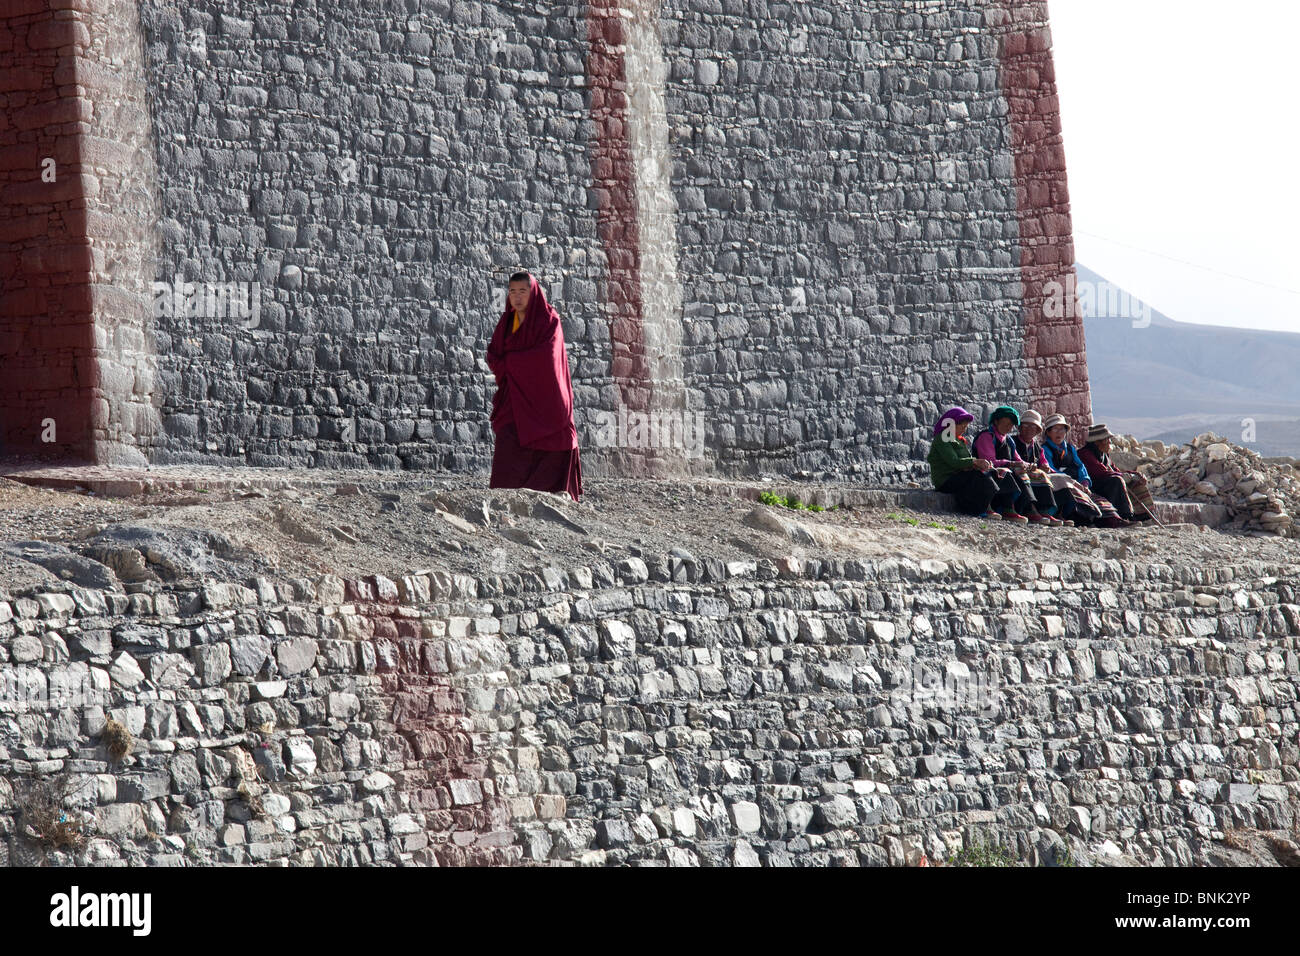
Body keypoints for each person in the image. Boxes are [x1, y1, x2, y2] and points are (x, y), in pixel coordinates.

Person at [486, 272, 582, 501]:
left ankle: (552, 492)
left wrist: (511, 362)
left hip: (546, 396)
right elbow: (494, 354)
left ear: (533, 292)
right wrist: (506, 363)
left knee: (552, 440)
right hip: (515, 394)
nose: (517, 297)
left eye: (523, 291)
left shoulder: (549, 320)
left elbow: (546, 358)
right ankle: (505, 494)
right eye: (512, 292)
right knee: (508, 435)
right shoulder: (507, 322)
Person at [971, 405, 1060, 524]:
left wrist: (1029, 465)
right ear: (996, 421)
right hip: (986, 471)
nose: (1008, 427)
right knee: (1009, 471)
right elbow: (988, 460)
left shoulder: (1008, 440)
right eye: (1005, 423)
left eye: (1011, 425)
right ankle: (1009, 508)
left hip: (1006, 469)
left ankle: (1040, 510)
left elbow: (1017, 459)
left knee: (1038, 474)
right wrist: (1011, 464)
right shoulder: (987, 436)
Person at [1040, 414, 1127, 528]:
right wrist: (1072, 482)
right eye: (1055, 429)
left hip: (1078, 484)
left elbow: (1080, 467)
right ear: (1048, 432)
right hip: (1061, 485)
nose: (1059, 433)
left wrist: (1085, 482)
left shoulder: (1070, 448)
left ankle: (1116, 520)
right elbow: (1051, 469)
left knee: (1098, 500)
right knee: (1080, 500)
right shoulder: (1045, 449)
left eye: (1062, 429)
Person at [926, 406, 1006, 518]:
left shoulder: (958, 440)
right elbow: (953, 461)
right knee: (977, 477)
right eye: (962, 426)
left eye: (966, 427)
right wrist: (975, 462)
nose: (964, 430)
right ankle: (980, 509)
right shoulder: (942, 439)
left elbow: (964, 461)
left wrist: (977, 465)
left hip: (959, 475)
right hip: (946, 479)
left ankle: (1002, 507)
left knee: (995, 474)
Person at [1078, 423, 1155, 522]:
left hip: (1105, 482)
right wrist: (1123, 476)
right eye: (1107, 440)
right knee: (1117, 480)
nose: (1110, 443)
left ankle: (1144, 515)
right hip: (1093, 486)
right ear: (1097, 442)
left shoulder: (1104, 455)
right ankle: (1125, 515)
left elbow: (1115, 470)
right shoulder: (1085, 454)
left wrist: (1134, 475)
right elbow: (1100, 472)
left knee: (1135, 481)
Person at [1010, 409, 1071, 525]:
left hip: (1034, 474)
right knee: (1037, 475)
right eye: (1026, 425)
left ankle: (1049, 512)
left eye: (1033, 427)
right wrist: (1030, 467)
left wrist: (1045, 467)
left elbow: (1044, 463)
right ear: (1020, 427)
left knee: (1060, 478)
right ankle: (1030, 509)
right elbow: (1014, 459)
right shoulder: (1013, 441)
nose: (1029, 429)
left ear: (1038, 430)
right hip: (1018, 473)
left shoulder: (1037, 447)